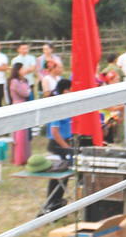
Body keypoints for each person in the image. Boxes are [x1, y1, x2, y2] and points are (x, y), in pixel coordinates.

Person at [41, 78, 76, 214]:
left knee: (64, 178)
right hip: (58, 145)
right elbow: (54, 132)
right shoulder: (57, 107)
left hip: (65, 144)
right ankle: (51, 205)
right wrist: (67, 147)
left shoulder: (65, 105)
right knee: (57, 179)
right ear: (65, 90)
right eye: (71, 89)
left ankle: (57, 205)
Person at [7, 61, 33, 166]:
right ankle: (19, 158)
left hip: (24, 106)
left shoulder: (23, 80)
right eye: (22, 69)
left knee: (25, 133)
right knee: (19, 134)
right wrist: (28, 89)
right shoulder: (14, 82)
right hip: (18, 106)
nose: (24, 71)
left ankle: (25, 157)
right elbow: (25, 93)